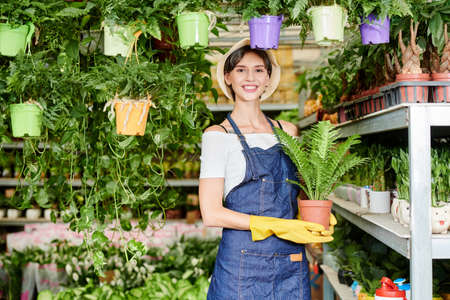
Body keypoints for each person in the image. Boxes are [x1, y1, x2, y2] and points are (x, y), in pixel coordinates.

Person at [199, 38, 335, 300]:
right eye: (240, 69)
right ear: (227, 77)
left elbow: (297, 194)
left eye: (259, 69)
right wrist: (273, 225)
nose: (250, 77)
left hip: (289, 261)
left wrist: (317, 212)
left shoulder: (288, 132)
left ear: (268, 77)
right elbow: (211, 213)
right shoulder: (218, 136)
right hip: (240, 267)